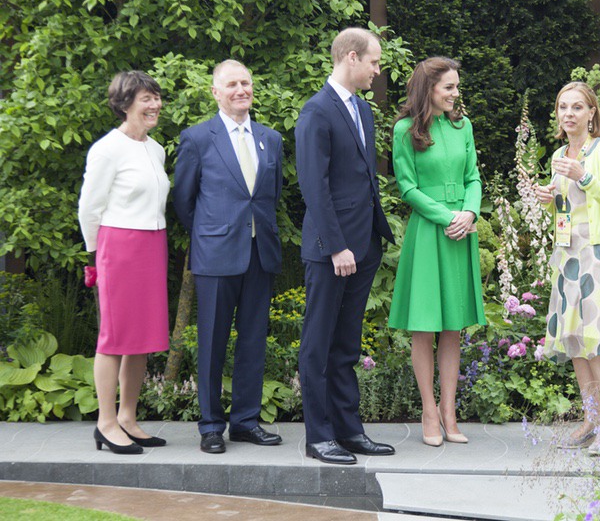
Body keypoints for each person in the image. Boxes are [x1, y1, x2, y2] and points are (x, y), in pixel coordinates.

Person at [295, 27, 396, 465]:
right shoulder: (316, 111)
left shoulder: (362, 110)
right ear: (351, 57)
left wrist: (368, 239)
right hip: (331, 250)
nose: (378, 70)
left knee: (346, 346)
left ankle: (348, 431)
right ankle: (319, 438)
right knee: (318, 344)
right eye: (374, 62)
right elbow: (313, 186)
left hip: (363, 245)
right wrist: (337, 247)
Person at [173, 60, 284, 454]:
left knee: (253, 341)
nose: (241, 89)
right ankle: (210, 426)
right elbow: (184, 201)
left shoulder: (270, 139)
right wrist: (211, 233)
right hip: (216, 254)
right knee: (212, 343)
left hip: (259, 253)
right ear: (216, 92)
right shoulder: (198, 138)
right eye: (232, 84)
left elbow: (271, 194)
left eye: (246, 82)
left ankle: (245, 422)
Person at [389, 57, 485, 447]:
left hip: (462, 231)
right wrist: (447, 215)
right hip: (429, 233)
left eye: (456, 87)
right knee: (424, 325)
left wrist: (470, 212)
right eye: (449, 87)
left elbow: (474, 177)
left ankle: (450, 411)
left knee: (452, 327)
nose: (455, 93)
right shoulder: (403, 131)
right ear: (428, 88)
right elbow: (407, 188)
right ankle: (429, 411)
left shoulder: (464, 127)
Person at [78, 71, 170, 454]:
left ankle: (129, 418)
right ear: (125, 104)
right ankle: (106, 422)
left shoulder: (156, 149)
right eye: (146, 99)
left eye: (157, 98)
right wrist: (97, 256)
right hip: (118, 247)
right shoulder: (107, 148)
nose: (155, 105)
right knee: (114, 339)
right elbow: (89, 207)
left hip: (153, 244)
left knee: (141, 340)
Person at [534, 81, 600, 452]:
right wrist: (548, 199)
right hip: (568, 253)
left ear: (591, 114)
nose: (568, 114)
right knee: (574, 336)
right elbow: (565, 207)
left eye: (576, 108)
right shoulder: (559, 153)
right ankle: (590, 418)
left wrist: (582, 176)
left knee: (598, 338)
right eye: (562, 107)